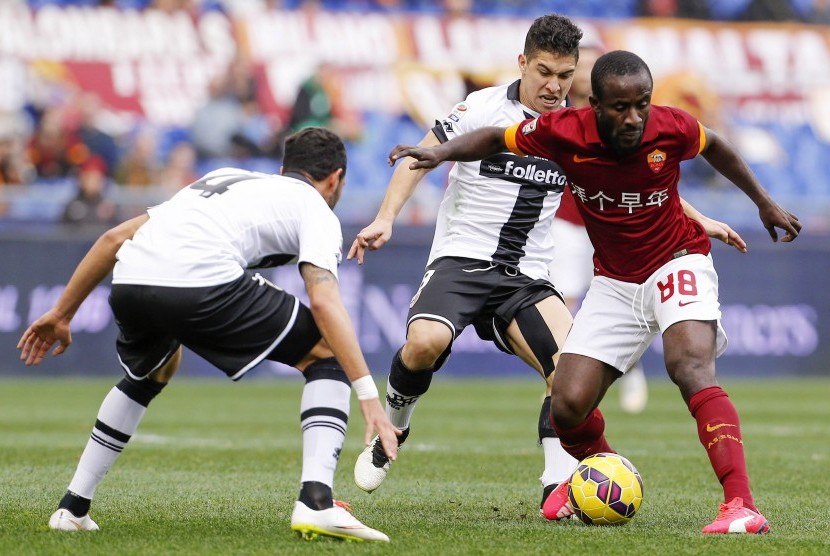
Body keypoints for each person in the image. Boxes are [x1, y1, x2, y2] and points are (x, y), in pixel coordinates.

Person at [387, 50, 800, 534]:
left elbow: (718, 147)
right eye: (620, 107)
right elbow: (493, 138)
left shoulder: (672, 126)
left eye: (641, 104)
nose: (633, 118)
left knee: (688, 366)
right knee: (566, 403)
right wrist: (440, 152)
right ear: (594, 104)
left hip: (677, 261)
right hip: (614, 282)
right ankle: (604, 473)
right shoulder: (564, 132)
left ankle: (741, 504)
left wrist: (765, 203)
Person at [17, 127, 399, 543]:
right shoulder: (317, 208)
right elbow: (324, 301)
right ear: (336, 178)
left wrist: (61, 312)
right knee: (327, 354)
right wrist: (367, 396)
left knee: (154, 370)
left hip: (131, 277)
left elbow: (114, 238)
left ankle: (73, 507)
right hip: (198, 278)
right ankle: (317, 503)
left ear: (283, 168)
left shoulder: (223, 177)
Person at [546, 41, 649, 414]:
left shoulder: (622, 117)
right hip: (567, 221)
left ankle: (630, 369)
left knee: (623, 301)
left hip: (611, 222)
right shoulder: (557, 116)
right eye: (581, 65)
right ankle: (564, 378)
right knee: (565, 302)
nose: (585, 72)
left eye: (593, 65)